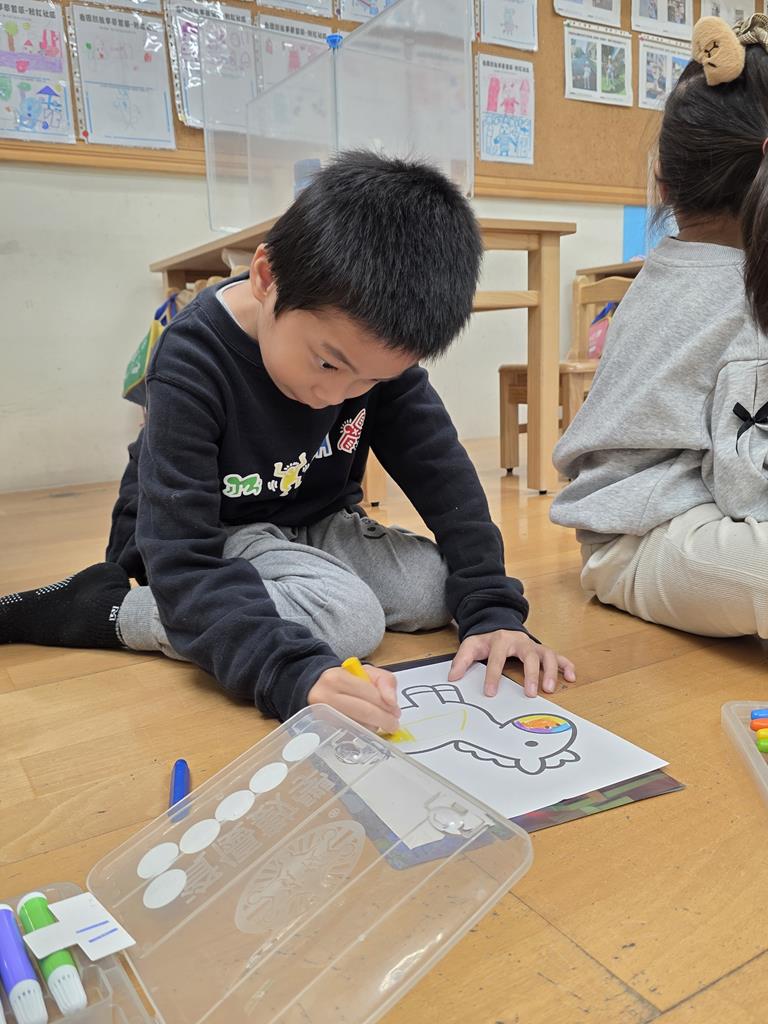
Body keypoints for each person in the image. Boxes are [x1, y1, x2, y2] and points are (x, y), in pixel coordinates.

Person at [1, 151, 575, 729]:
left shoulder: (366, 362)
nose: (337, 394)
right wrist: (289, 671)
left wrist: (494, 610)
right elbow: (182, 552)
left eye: (369, 382)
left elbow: (442, 473)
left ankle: (285, 589)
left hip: (311, 521)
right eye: (327, 363)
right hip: (211, 536)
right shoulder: (192, 359)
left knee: (436, 588)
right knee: (350, 620)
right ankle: (110, 609)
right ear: (266, 277)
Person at [551, 15, 768, 642]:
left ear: (664, 179)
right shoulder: (744, 297)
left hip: (665, 516)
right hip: (645, 539)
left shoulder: (670, 268)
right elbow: (747, 489)